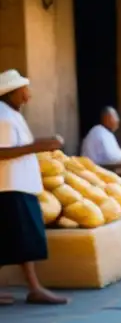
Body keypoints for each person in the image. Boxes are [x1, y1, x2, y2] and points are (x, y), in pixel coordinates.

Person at [0, 70, 69, 306]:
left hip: (19, 185)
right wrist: (39, 146)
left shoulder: (11, 114)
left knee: (20, 241)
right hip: (10, 186)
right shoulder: (3, 116)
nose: (28, 96)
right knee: (20, 240)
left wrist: (39, 144)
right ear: (11, 93)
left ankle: (34, 288)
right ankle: (35, 288)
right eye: (24, 91)